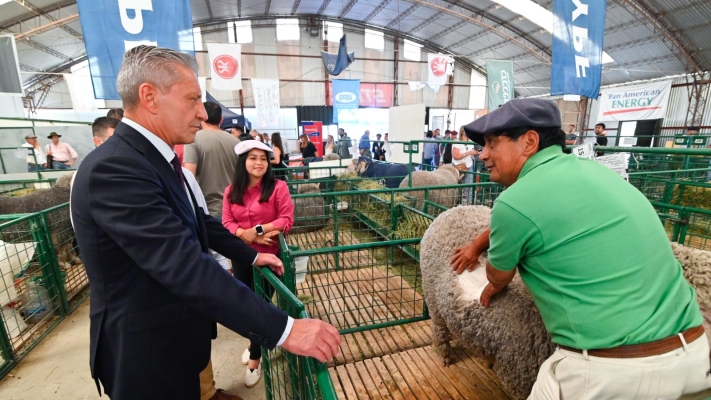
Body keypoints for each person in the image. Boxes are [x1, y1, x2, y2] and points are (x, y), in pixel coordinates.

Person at [70, 45, 341, 400]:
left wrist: (252, 256)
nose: (202, 112)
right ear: (149, 97)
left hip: (175, 339)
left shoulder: (155, 160)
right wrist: (285, 329)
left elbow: (198, 222)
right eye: (193, 99)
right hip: (146, 355)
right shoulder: (116, 169)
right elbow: (183, 265)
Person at [454, 98, 707, 399]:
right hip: (695, 354)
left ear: (529, 142)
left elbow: (499, 275)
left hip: (612, 372)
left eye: (492, 143)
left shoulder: (514, 201)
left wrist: (493, 281)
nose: (483, 155)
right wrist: (479, 241)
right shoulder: (598, 174)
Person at [222, 140, 294, 388]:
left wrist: (258, 230)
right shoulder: (231, 191)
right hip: (243, 258)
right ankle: (254, 342)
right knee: (246, 306)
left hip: (270, 259)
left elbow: (286, 219)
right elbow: (226, 222)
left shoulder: (278, 188)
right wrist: (245, 234)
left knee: (260, 308)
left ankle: (255, 358)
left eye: (263, 158)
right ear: (243, 162)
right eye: (253, 158)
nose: (259, 162)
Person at [183, 101, 241, 219]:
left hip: (207, 210)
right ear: (221, 120)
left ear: (201, 116)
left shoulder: (194, 139)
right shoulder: (236, 142)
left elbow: (188, 177)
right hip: (236, 209)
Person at [452, 127, 478, 205]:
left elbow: (471, 154)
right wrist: (468, 153)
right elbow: (455, 156)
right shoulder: (457, 142)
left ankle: (469, 202)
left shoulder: (470, 142)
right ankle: (455, 202)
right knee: (456, 185)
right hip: (458, 166)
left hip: (469, 165)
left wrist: (475, 153)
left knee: (469, 185)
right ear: (462, 132)